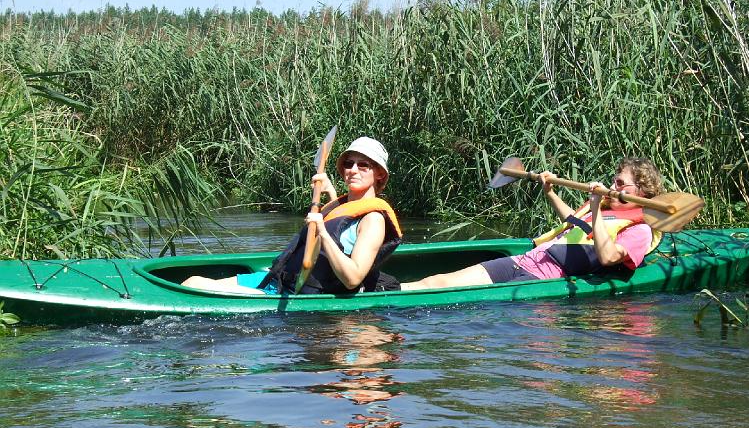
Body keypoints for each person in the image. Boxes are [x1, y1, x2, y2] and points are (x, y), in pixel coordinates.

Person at [402, 157, 664, 290]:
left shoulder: (639, 230)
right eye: (614, 181)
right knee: (437, 282)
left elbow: (608, 257)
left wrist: (595, 206)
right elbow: (574, 224)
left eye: (620, 183)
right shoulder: (606, 209)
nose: (613, 186)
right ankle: (389, 288)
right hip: (525, 261)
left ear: (640, 191)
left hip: (542, 277)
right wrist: (550, 192)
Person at [182, 136, 402, 294]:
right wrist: (330, 193)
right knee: (191, 281)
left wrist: (322, 232)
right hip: (280, 278)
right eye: (348, 163)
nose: (352, 170)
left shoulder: (373, 220)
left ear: (379, 174)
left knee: (193, 286)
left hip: (297, 290)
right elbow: (341, 225)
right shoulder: (344, 204)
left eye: (363, 165)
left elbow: (353, 278)